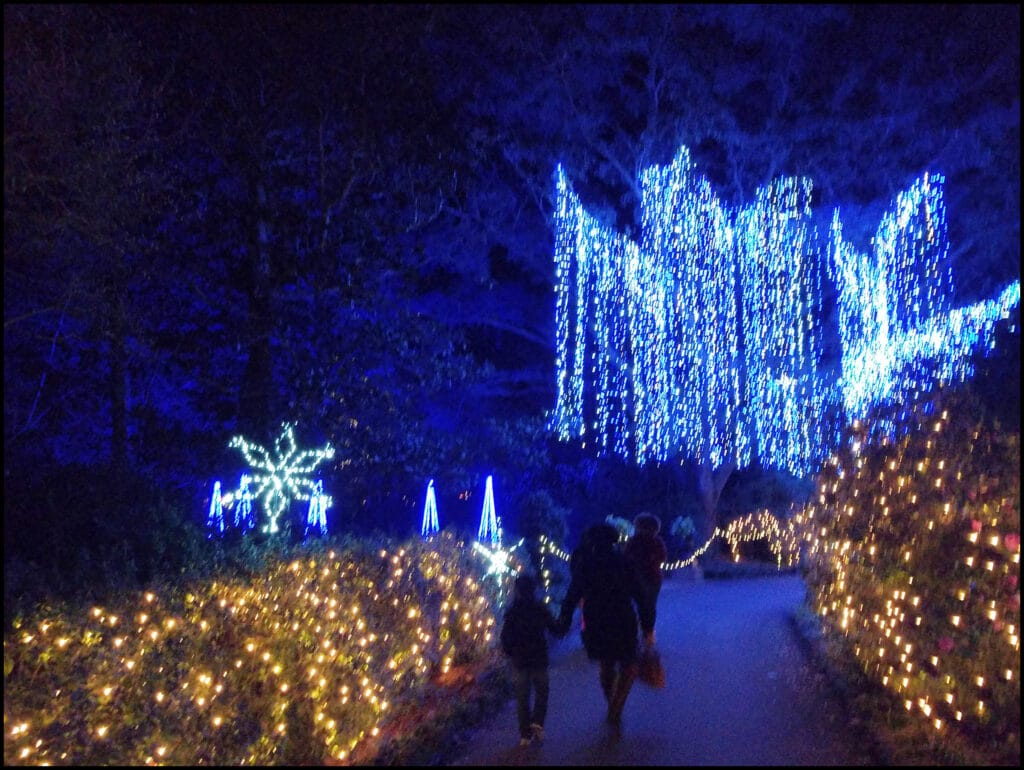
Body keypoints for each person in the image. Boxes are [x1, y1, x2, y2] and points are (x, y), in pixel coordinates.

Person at [557, 523, 654, 735]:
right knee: (628, 663)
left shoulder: (586, 565)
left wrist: (563, 622)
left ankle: (611, 702)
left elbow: (572, 594)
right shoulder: (625, 563)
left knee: (606, 664)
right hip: (622, 618)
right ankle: (617, 705)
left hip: (596, 620)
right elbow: (641, 595)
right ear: (614, 540)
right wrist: (647, 626)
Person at [500, 571, 562, 747]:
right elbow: (554, 628)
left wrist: (510, 652)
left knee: (522, 697)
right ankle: (537, 722)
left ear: (517, 591)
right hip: (538, 657)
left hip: (520, 659)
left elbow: (505, 637)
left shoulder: (512, 612)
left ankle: (525, 734)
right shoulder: (540, 608)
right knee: (542, 691)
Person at [624, 512, 668, 635]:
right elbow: (663, 557)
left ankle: (640, 628)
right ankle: (648, 630)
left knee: (639, 603)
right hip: (653, 577)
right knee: (650, 604)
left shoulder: (634, 541)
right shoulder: (656, 541)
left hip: (636, 577)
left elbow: (626, 557)